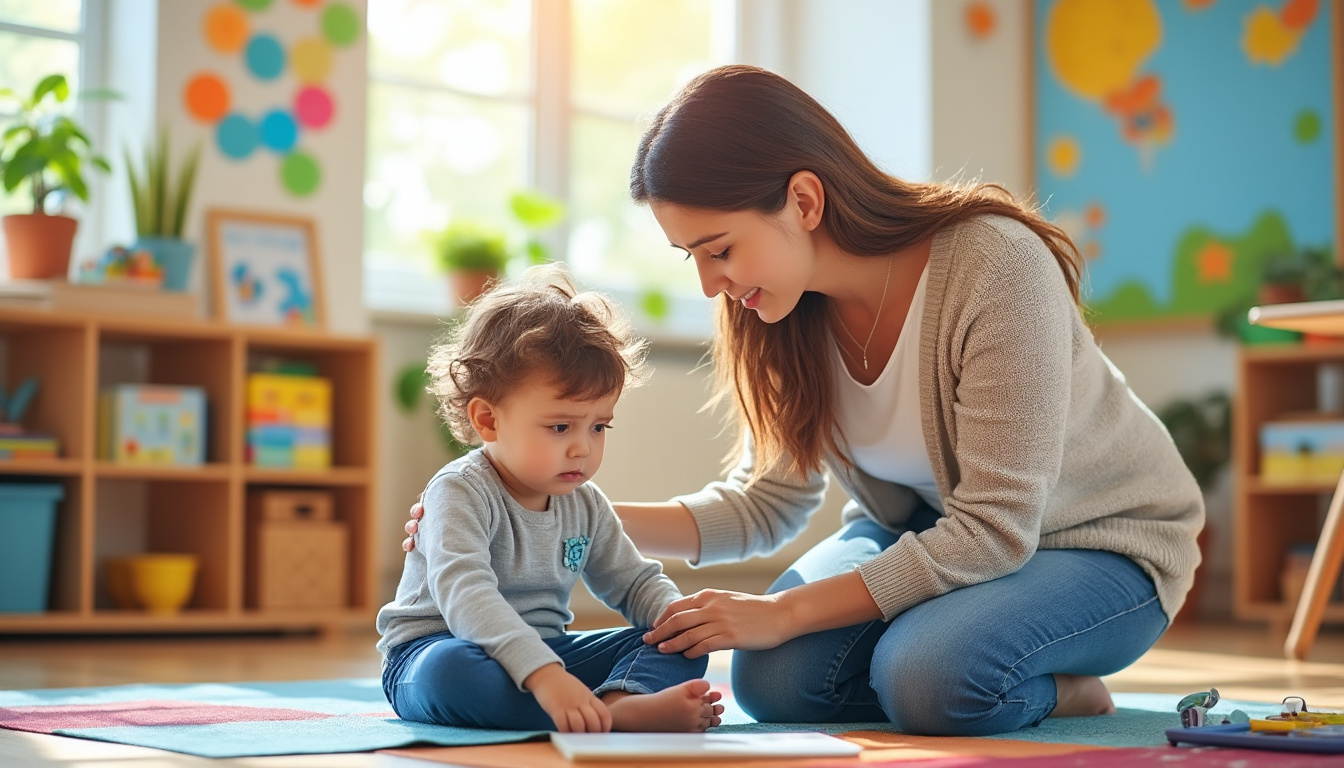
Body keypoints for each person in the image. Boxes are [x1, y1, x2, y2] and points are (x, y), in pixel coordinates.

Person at [404, 64, 1204, 737]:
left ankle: (1061, 691)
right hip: (918, 534)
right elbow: (767, 504)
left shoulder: (995, 267)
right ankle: (955, 669)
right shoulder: (777, 310)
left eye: (718, 249)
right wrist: (540, 506)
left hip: (1094, 544)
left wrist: (785, 612)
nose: (709, 282)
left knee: (929, 676)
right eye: (692, 256)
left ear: (805, 201)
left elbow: (995, 530)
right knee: (771, 684)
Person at [378, 264, 724, 734]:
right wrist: (543, 675)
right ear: (487, 420)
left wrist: (682, 622)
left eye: (599, 426)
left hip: (548, 656)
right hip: (442, 648)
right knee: (450, 672)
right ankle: (608, 719)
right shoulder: (459, 490)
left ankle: (620, 703)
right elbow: (467, 595)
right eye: (560, 427)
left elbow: (634, 582)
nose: (583, 447)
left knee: (674, 644)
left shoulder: (586, 503)